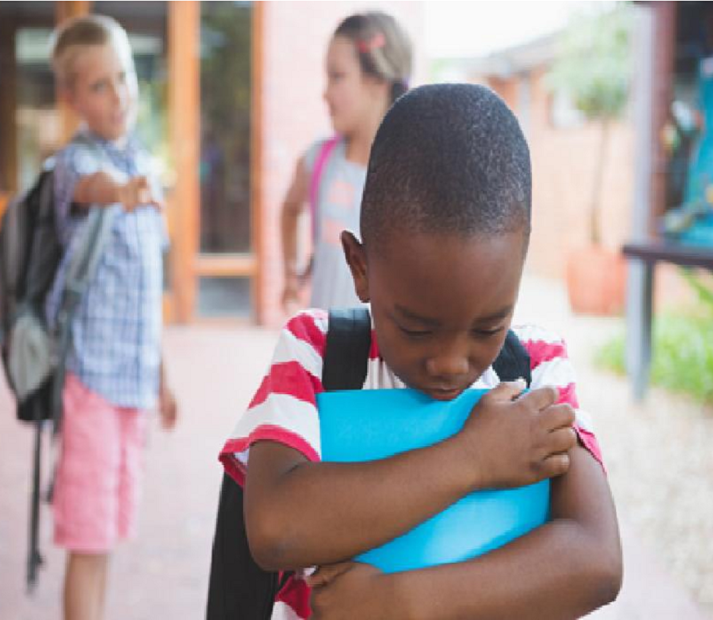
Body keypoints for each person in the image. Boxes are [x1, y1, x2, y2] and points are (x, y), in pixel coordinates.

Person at [219, 84, 622, 620]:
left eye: (488, 327)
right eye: (416, 328)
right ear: (360, 269)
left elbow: (596, 561)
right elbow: (276, 528)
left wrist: (401, 601)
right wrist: (472, 459)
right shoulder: (318, 354)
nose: (452, 363)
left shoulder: (536, 370)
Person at [47, 15, 178, 620]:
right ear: (72, 98)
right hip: (91, 384)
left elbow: (147, 293)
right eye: (98, 85)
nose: (118, 93)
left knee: (109, 540)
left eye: (123, 76)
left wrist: (163, 376)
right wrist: (120, 192)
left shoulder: (144, 163)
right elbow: (89, 186)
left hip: (132, 386)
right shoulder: (75, 163)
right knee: (88, 542)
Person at [281, 12, 413, 313]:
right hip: (326, 349)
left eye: (337, 76)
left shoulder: (412, 173)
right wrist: (291, 271)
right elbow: (289, 210)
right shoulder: (318, 160)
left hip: (384, 354)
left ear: (378, 80)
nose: (325, 93)